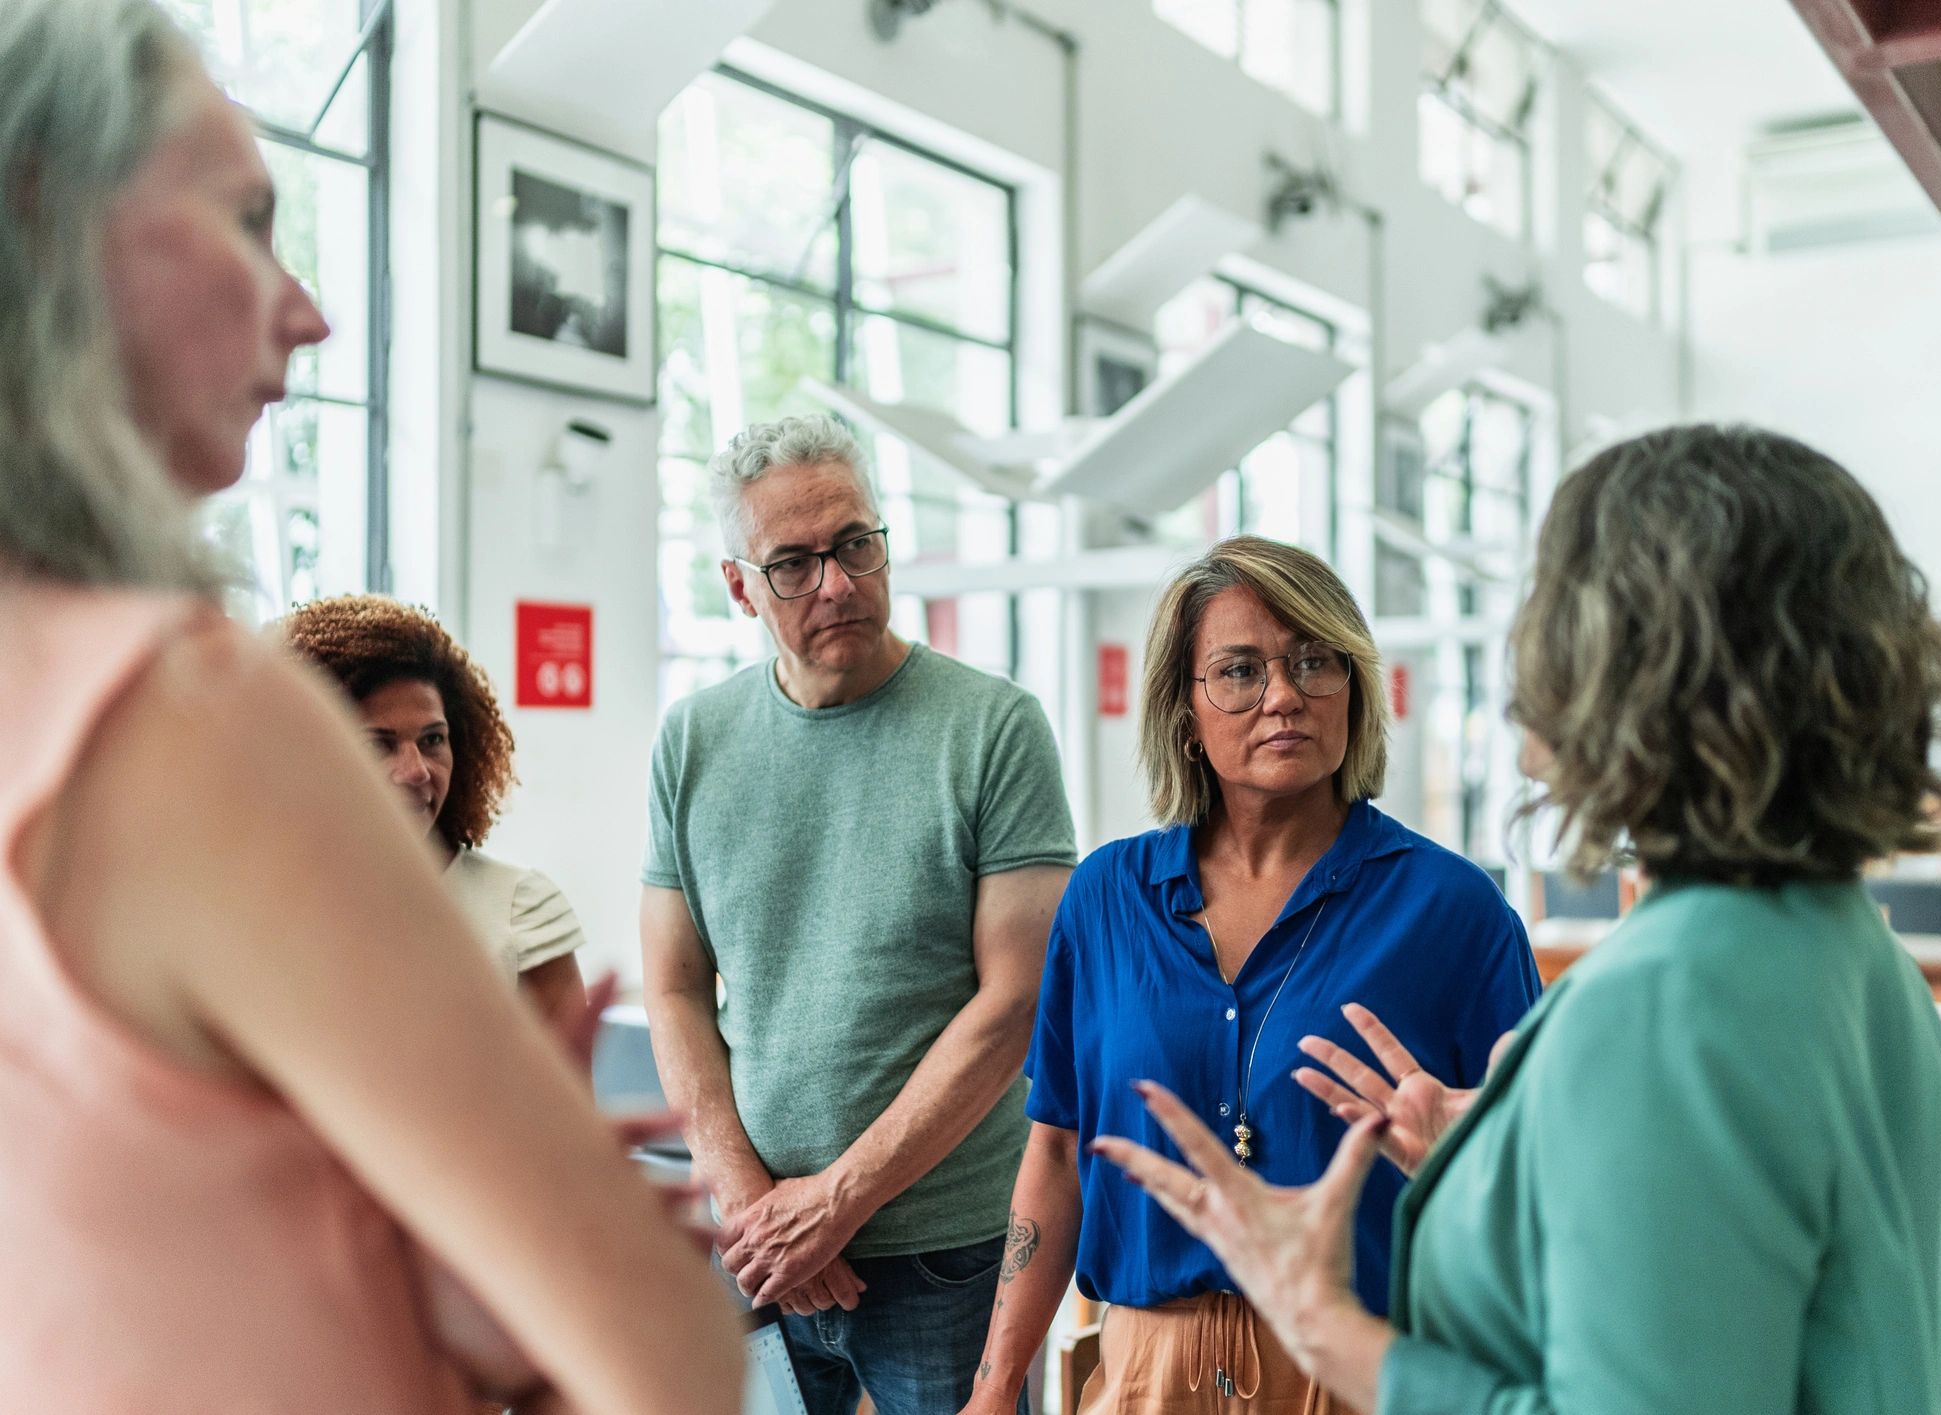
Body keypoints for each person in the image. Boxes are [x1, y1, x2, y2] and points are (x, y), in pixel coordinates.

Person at [0, 3, 741, 1411]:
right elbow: (667, 1357)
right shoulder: (185, 711)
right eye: (244, 219)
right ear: (47, 213)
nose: (312, 307)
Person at [1094, 426, 1941, 1415]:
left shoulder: (1657, 1005)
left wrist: (1322, 1319)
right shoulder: (1851, 953)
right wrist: (1512, 1153)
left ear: (1621, 662)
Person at [964, 536, 1541, 1415]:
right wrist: (996, 1385)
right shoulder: (1107, 897)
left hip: (1361, 1364)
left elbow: (1526, 1179)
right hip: (1145, 1371)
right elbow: (1054, 1150)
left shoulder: (1454, 912)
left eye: (1315, 662)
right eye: (1239, 671)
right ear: (1184, 711)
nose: (1283, 696)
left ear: (1355, 687)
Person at [640, 413, 1078, 1415]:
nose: (835, 582)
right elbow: (671, 986)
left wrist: (835, 1201)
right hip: (758, 1251)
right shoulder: (693, 741)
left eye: (855, 544)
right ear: (740, 585)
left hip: (944, 1254)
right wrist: (751, 1202)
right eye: (792, 562)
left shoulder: (992, 728)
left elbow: (1017, 1002)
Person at [279, 594, 588, 1023]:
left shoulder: (521, 909)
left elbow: (566, 1088)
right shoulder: (268, 903)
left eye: (432, 740)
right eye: (377, 745)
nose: (417, 770)